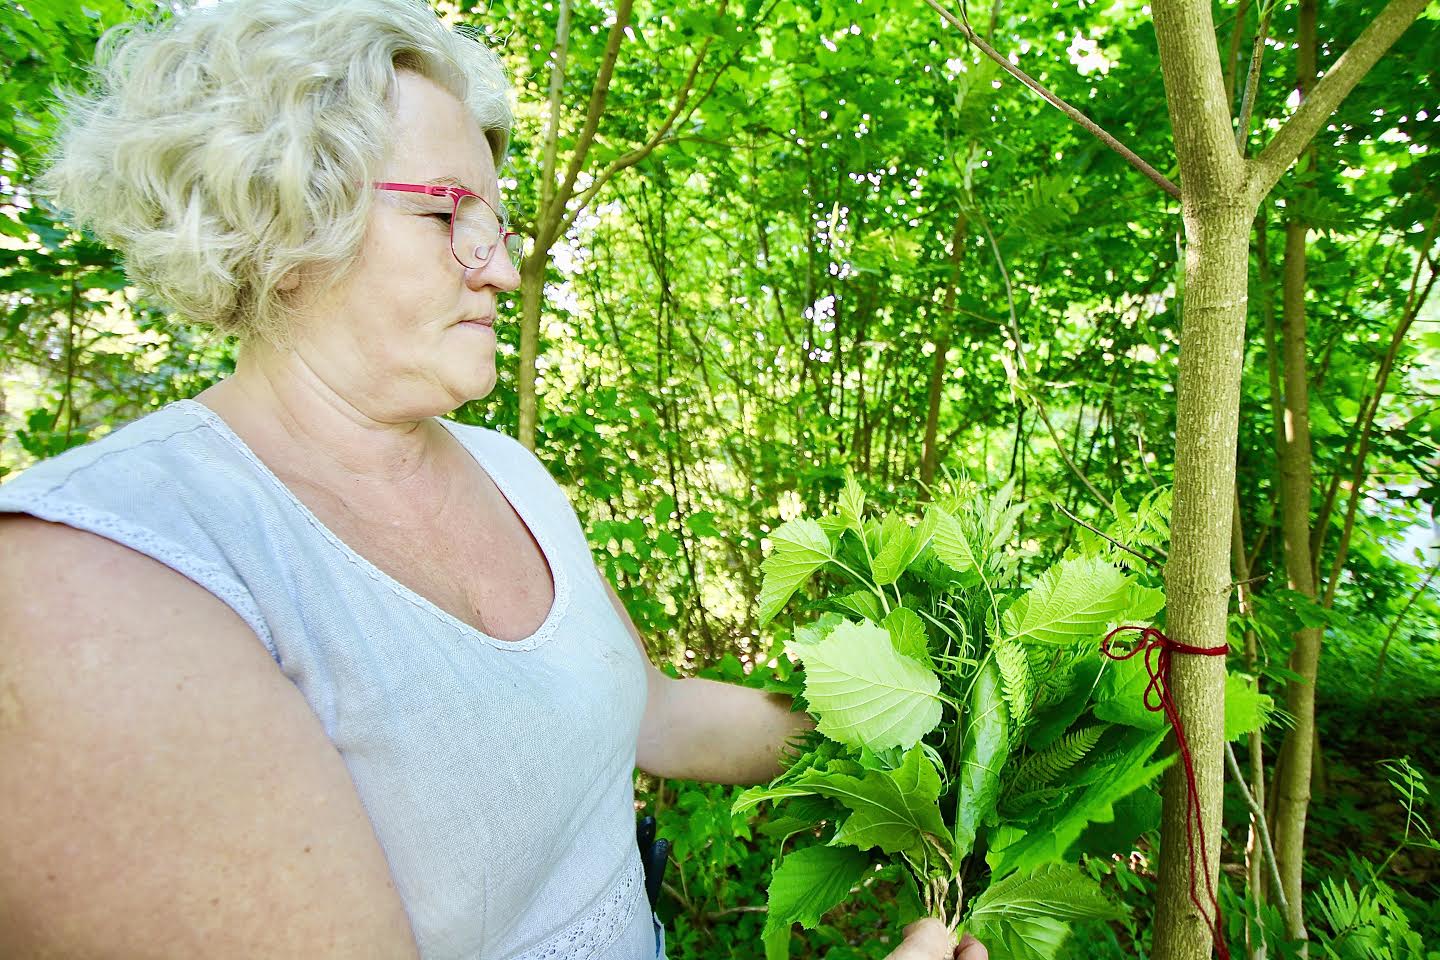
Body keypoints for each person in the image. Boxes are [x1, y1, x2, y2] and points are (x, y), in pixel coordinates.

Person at [0, 2, 987, 958]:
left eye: (498, 222)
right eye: (446, 214)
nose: (502, 271)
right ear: (283, 221)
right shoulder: (97, 583)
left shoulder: (509, 472)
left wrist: (936, 725)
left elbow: (654, 713)